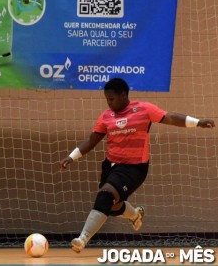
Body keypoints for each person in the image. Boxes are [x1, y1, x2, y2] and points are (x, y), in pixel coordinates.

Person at [60, 77, 215, 253]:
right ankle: (135, 215)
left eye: (112, 99)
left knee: (105, 196)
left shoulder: (144, 109)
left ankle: (82, 239)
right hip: (110, 166)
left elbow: (170, 118)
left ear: (124, 95)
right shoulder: (106, 117)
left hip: (134, 167)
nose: (109, 103)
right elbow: (92, 140)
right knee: (111, 206)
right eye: (107, 99)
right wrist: (71, 157)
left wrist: (198, 122)